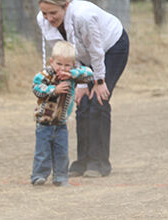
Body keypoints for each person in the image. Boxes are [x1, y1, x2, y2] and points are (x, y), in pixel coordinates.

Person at [37, 0, 129, 177]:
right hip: (83, 58)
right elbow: (66, 55)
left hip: (111, 48)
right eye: (44, 13)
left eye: (53, 13)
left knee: (98, 100)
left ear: (66, 4)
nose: (48, 18)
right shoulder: (43, 20)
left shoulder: (83, 16)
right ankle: (82, 161)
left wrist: (99, 81)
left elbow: (96, 51)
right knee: (83, 102)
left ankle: (99, 162)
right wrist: (79, 83)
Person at [31, 40, 93, 186]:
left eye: (67, 65)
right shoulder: (46, 75)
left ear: (72, 65)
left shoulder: (72, 76)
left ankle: (60, 177)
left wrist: (72, 73)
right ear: (52, 62)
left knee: (61, 152)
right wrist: (54, 90)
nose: (62, 68)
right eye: (59, 64)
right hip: (44, 121)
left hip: (61, 122)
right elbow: (36, 88)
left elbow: (89, 74)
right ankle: (39, 175)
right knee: (43, 151)